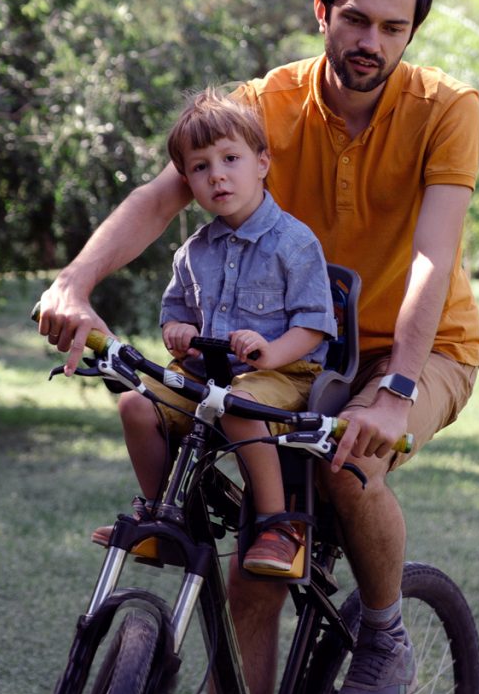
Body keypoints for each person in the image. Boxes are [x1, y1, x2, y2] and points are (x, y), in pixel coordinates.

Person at [37, 0, 479, 694]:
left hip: (415, 346)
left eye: (392, 27)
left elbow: (431, 261)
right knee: (251, 578)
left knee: (350, 461)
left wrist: (396, 387)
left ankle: (383, 633)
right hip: (279, 359)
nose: (370, 41)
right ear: (322, 11)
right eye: (355, 20)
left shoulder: (445, 108)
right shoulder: (266, 104)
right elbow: (159, 196)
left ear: (410, 34)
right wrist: (74, 283)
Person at [92, 88, 337, 576]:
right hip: (206, 376)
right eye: (200, 167)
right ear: (186, 180)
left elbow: (313, 325)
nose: (217, 175)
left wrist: (268, 352)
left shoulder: (294, 242)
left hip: (284, 374)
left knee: (236, 407)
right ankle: (164, 516)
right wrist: (178, 332)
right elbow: (174, 312)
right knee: (136, 404)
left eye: (230, 158)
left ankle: (278, 525)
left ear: (263, 162)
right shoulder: (193, 251)